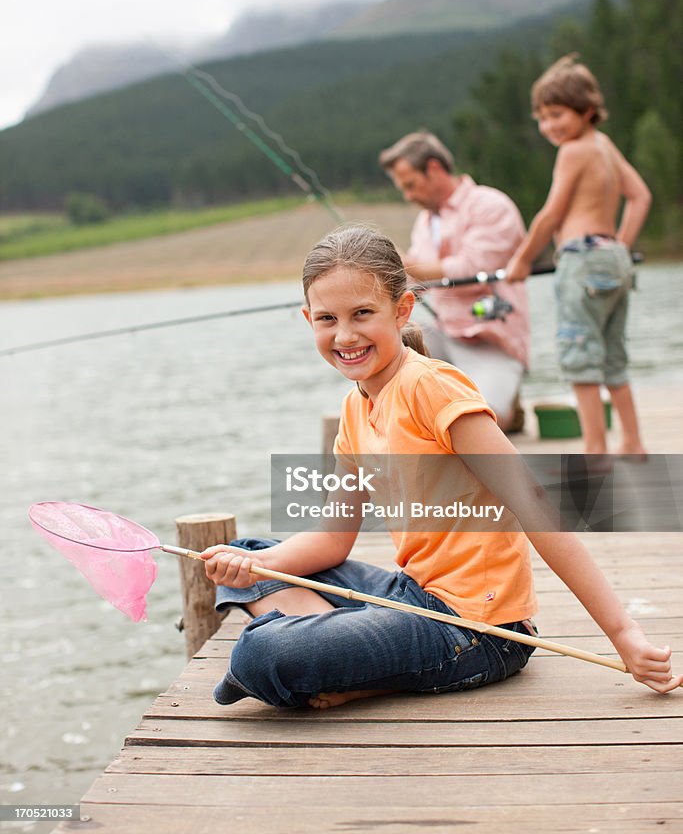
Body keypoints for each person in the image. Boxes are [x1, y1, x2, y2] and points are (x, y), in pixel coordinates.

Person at [201, 226, 680, 710]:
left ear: (402, 308)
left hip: (478, 629)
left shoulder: (433, 388)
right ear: (308, 320)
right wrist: (251, 567)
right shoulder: (354, 407)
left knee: (265, 652)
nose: (345, 335)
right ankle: (345, 654)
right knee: (245, 553)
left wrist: (624, 633)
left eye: (363, 314)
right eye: (327, 319)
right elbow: (331, 540)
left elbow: (534, 503)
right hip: (412, 594)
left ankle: (343, 658)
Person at [505, 55, 651, 459]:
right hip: (613, 258)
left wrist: (521, 260)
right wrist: (620, 244)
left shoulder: (572, 152)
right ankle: (633, 442)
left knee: (580, 357)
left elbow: (551, 214)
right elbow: (640, 197)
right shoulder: (603, 146)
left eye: (557, 115)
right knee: (612, 356)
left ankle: (595, 449)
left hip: (581, 260)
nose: (549, 126)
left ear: (587, 111)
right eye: (542, 117)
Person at [378, 130, 529, 432]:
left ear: (434, 168)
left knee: (484, 422)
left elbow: (472, 268)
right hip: (443, 337)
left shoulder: (490, 205)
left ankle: (506, 404)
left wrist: (409, 264)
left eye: (411, 185)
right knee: (390, 346)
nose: (408, 197)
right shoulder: (424, 222)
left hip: (491, 338)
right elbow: (415, 284)